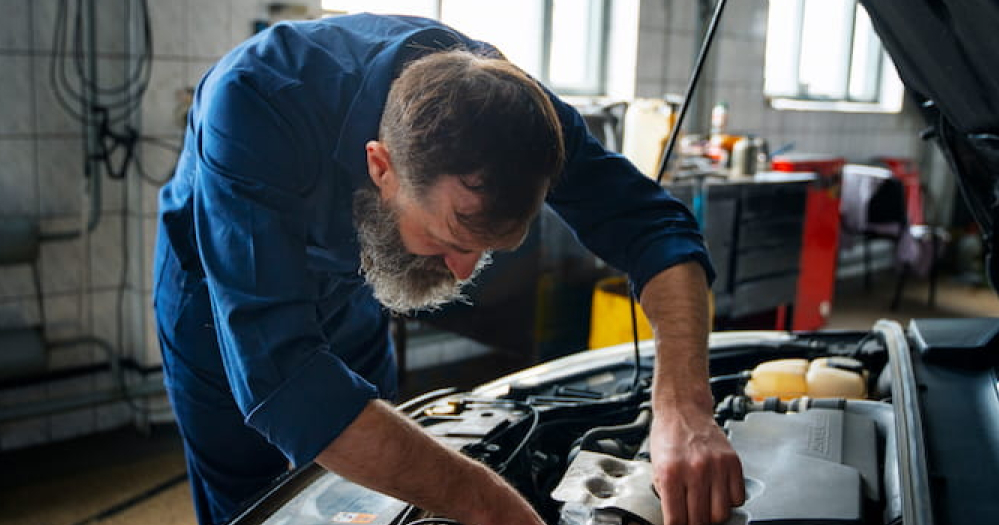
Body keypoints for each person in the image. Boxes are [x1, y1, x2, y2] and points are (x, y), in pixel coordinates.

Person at [154, 12, 744, 525]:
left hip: (349, 290)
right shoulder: (257, 101)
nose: (464, 274)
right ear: (380, 167)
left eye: (489, 249)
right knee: (255, 506)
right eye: (452, 238)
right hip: (217, 302)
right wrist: (491, 504)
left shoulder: (510, 115)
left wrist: (684, 407)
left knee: (373, 500)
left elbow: (656, 227)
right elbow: (286, 385)